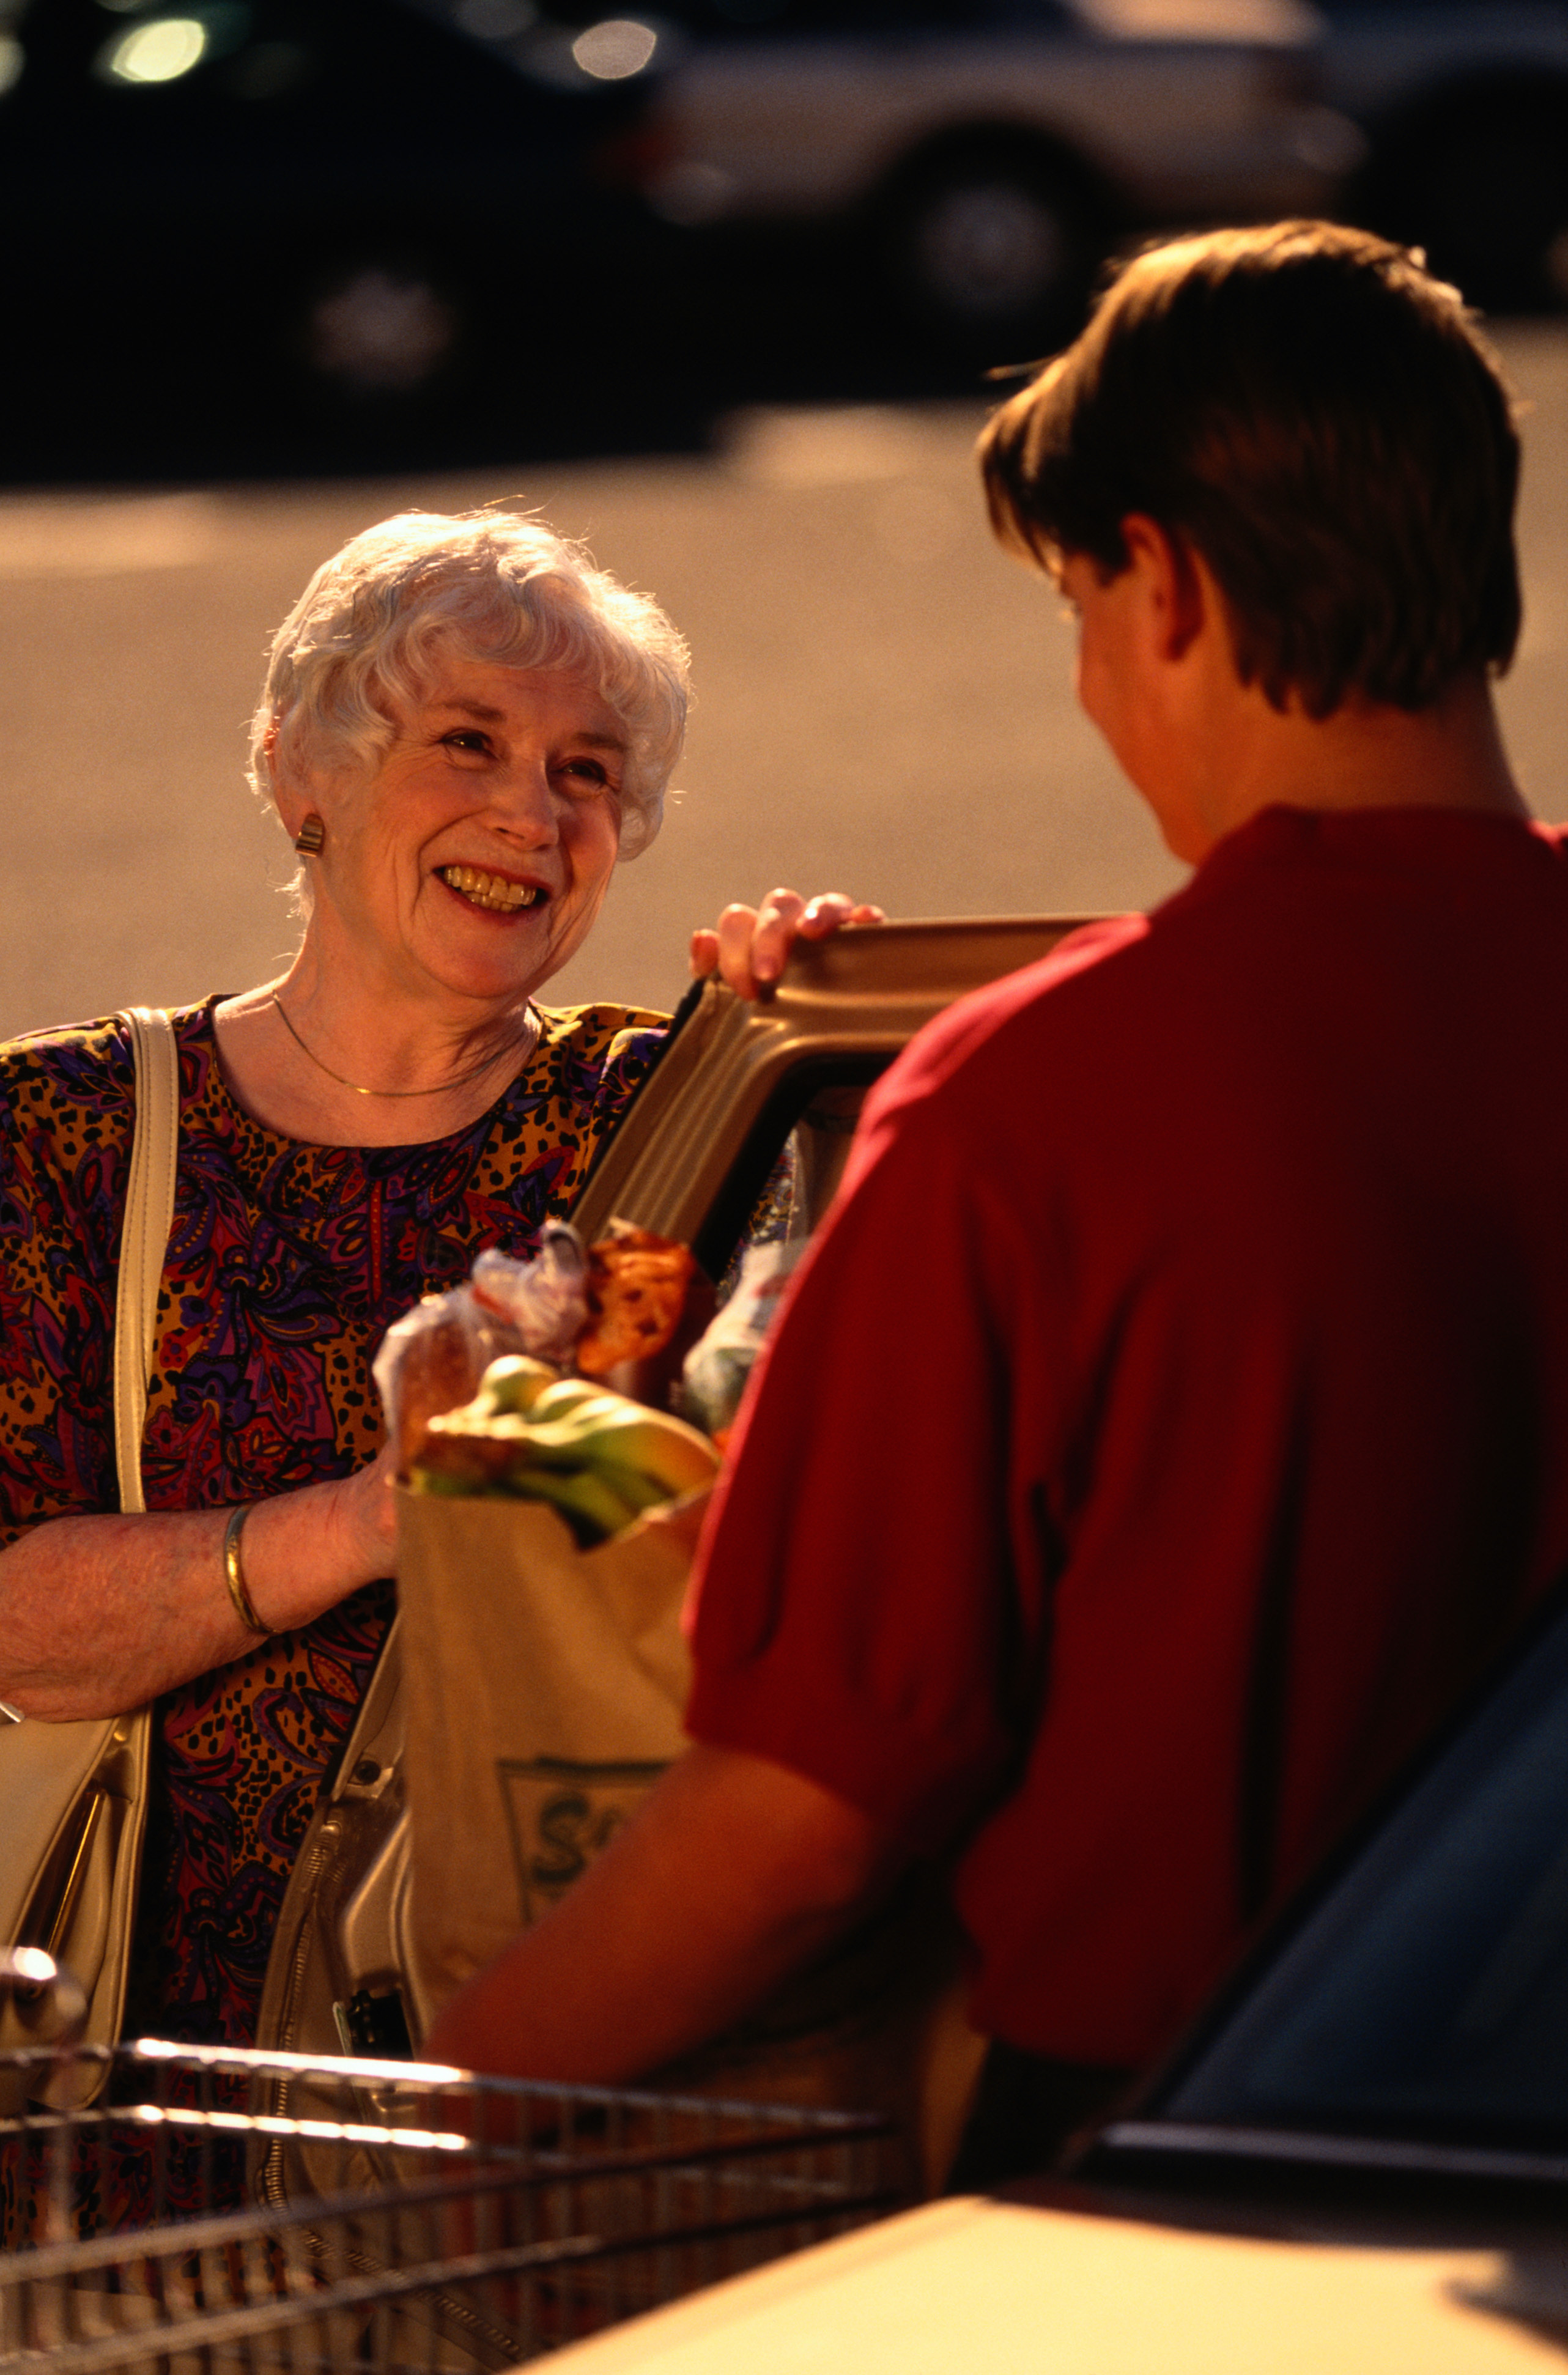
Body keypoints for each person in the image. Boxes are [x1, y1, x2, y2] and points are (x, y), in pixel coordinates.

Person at [424, 223, 1568, 2177]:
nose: (1089, 684)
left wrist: (449, 2109)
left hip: (1166, 2176)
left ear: (1169, 585)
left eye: (1078, 608)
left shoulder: (1030, 1101)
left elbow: (799, 1818)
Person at [0, 508, 872, 2072]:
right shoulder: (68, 1132)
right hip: (199, 2064)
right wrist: (374, 1517)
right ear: (299, 772)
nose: (531, 816)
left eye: (586, 770)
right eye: (466, 742)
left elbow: (821, 1494)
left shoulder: (674, 1106)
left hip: (576, 2011)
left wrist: (831, 1048)